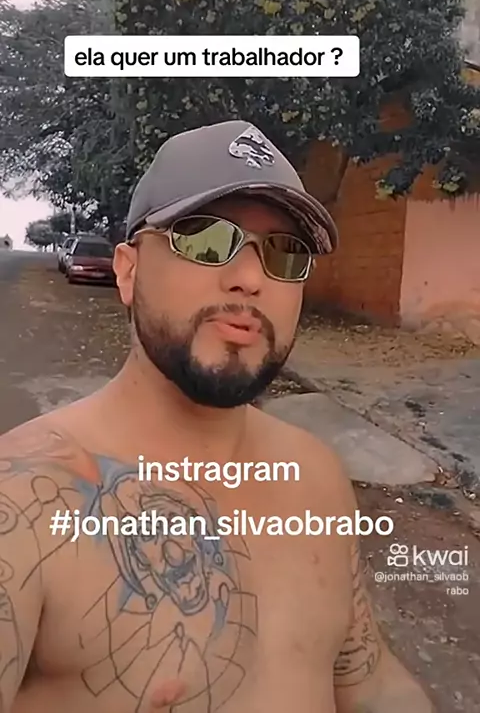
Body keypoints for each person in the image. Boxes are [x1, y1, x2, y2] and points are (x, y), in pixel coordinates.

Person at [1, 120, 434, 713]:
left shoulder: (318, 478)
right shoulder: (26, 501)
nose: (251, 279)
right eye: (205, 240)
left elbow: (370, 680)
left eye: (285, 252)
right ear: (128, 271)